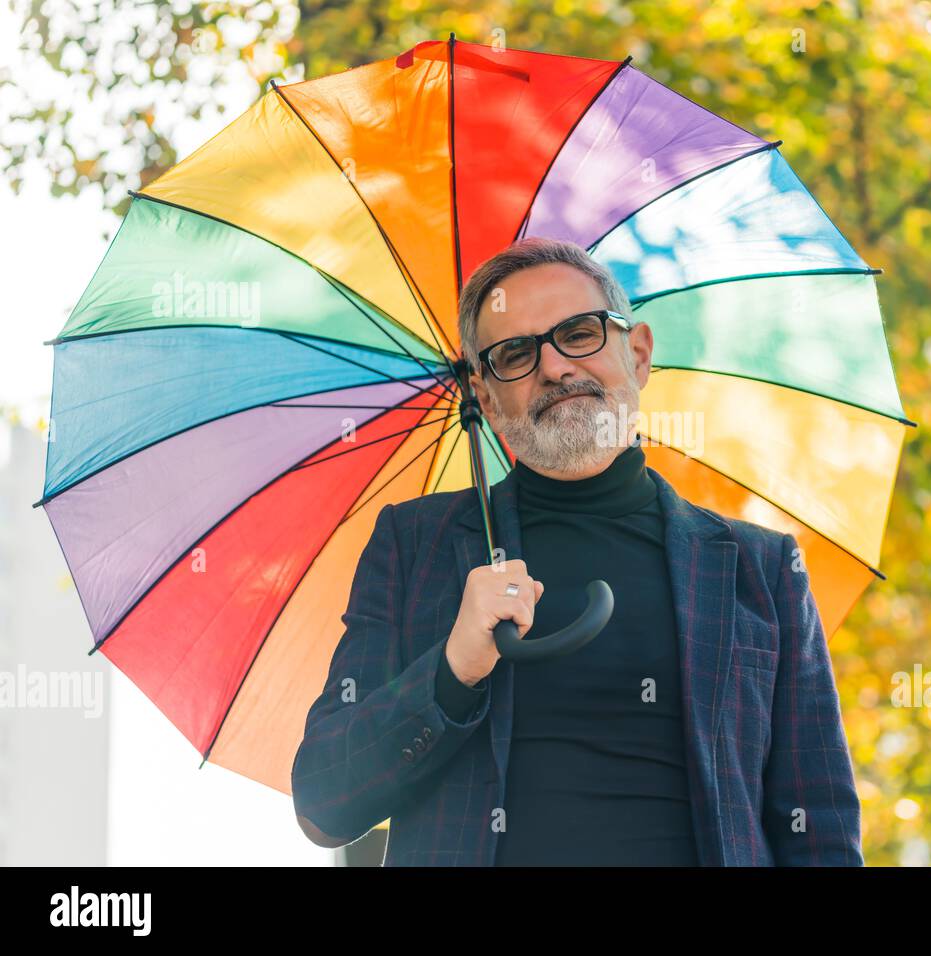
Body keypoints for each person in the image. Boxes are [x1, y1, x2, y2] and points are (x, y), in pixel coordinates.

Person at [290, 237, 863, 866]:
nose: (556, 367)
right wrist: (454, 669)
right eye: (515, 353)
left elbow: (821, 834)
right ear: (484, 398)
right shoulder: (413, 546)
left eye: (579, 333)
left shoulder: (763, 570)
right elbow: (324, 802)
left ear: (638, 353)